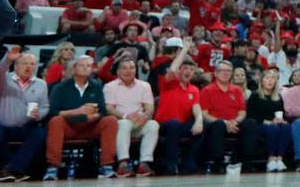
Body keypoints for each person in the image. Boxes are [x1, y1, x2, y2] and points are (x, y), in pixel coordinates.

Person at [45, 55, 119, 180]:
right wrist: (77, 111)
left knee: (110, 120)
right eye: (81, 65)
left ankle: (107, 166)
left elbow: (102, 111)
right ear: (74, 68)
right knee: (56, 121)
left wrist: (95, 116)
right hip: (69, 127)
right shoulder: (60, 88)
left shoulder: (96, 86)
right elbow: (53, 112)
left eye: (88, 66)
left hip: (90, 126)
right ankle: (53, 167)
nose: (85, 68)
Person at [0, 48, 49, 182]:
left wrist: (39, 114)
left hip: (22, 126)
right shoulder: (3, 80)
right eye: (25, 63)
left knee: (40, 133)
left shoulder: (41, 84)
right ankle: (13, 168)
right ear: (16, 65)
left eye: (32, 64)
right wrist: (7, 60)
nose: (29, 66)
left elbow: (44, 106)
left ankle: (9, 169)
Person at [155, 42, 205, 176]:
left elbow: (196, 107)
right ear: (179, 70)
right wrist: (185, 49)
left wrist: (199, 121)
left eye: (191, 69)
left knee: (200, 126)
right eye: (185, 68)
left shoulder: (194, 89)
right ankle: (170, 165)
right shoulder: (168, 83)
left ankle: (189, 163)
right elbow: (172, 70)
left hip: (181, 125)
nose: (188, 71)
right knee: (174, 124)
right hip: (164, 124)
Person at [103, 57, 159, 177]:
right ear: (118, 72)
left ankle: (144, 163)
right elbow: (109, 108)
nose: (128, 71)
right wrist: (126, 116)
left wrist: (145, 116)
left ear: (136, 70)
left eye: (132, 68)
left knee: (153, 124)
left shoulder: (144, 85)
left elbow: (150, 107)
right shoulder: (110, 86)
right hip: (120, 122)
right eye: (124, 68)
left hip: (139, 122)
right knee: (124, 123)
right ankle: (123, 164)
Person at [199, 60, 254, 173]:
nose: (225, 73)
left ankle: (246, 163)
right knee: (218, 125)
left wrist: (233, 122)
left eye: (228, 71)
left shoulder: (237, 90)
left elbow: (242, 112)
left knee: (250, 123)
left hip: (234, 123)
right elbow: (204, 114)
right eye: (222, 71)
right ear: (216, 73)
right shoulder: (207, 90)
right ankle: (218, 163)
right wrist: (224, 122)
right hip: (215, 125)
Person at [245, 67, 292, 172]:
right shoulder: (255, 95)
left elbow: (282, 113)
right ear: (262, 81)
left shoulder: (278, 97)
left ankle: (279, 159)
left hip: (275, 123)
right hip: (259, 124)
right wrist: (269, 122)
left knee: (286, 127)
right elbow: (251, 116)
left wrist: (282, 120)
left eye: (272, 78)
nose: (270, 80)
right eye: (267, 78)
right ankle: (271, 159)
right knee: (273, 128)